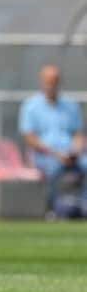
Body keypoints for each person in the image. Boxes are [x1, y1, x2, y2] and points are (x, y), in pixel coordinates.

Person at [19, 64, 87, 213]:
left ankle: (83, 206)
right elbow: (30, 138)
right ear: (42, 82)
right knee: (54, 167)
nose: (51, 85)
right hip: (45, 155)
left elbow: (77, 134)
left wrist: (75, 150)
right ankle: (53, 209)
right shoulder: (31, 106)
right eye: (48, 81)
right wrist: (56, 154)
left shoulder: (71, 106)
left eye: (55, 81)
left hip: (70, 154)